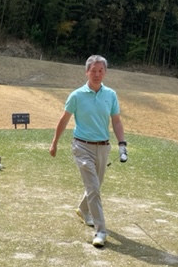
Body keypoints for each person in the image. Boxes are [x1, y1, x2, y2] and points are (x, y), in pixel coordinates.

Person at [49, 55, 127, 247]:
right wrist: (54, 143)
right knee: (93, 188)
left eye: (101, 71)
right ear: (86, 72)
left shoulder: (111, 95)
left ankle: (83, 209)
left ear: (105, 73)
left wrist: (122, 143)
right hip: (82, 146)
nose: (97, 74)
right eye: (93, 71)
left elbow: (116, 121)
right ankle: (101, 231)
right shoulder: (76, 95)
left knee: (96, 186)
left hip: (103, 147)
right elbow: (64, 120)